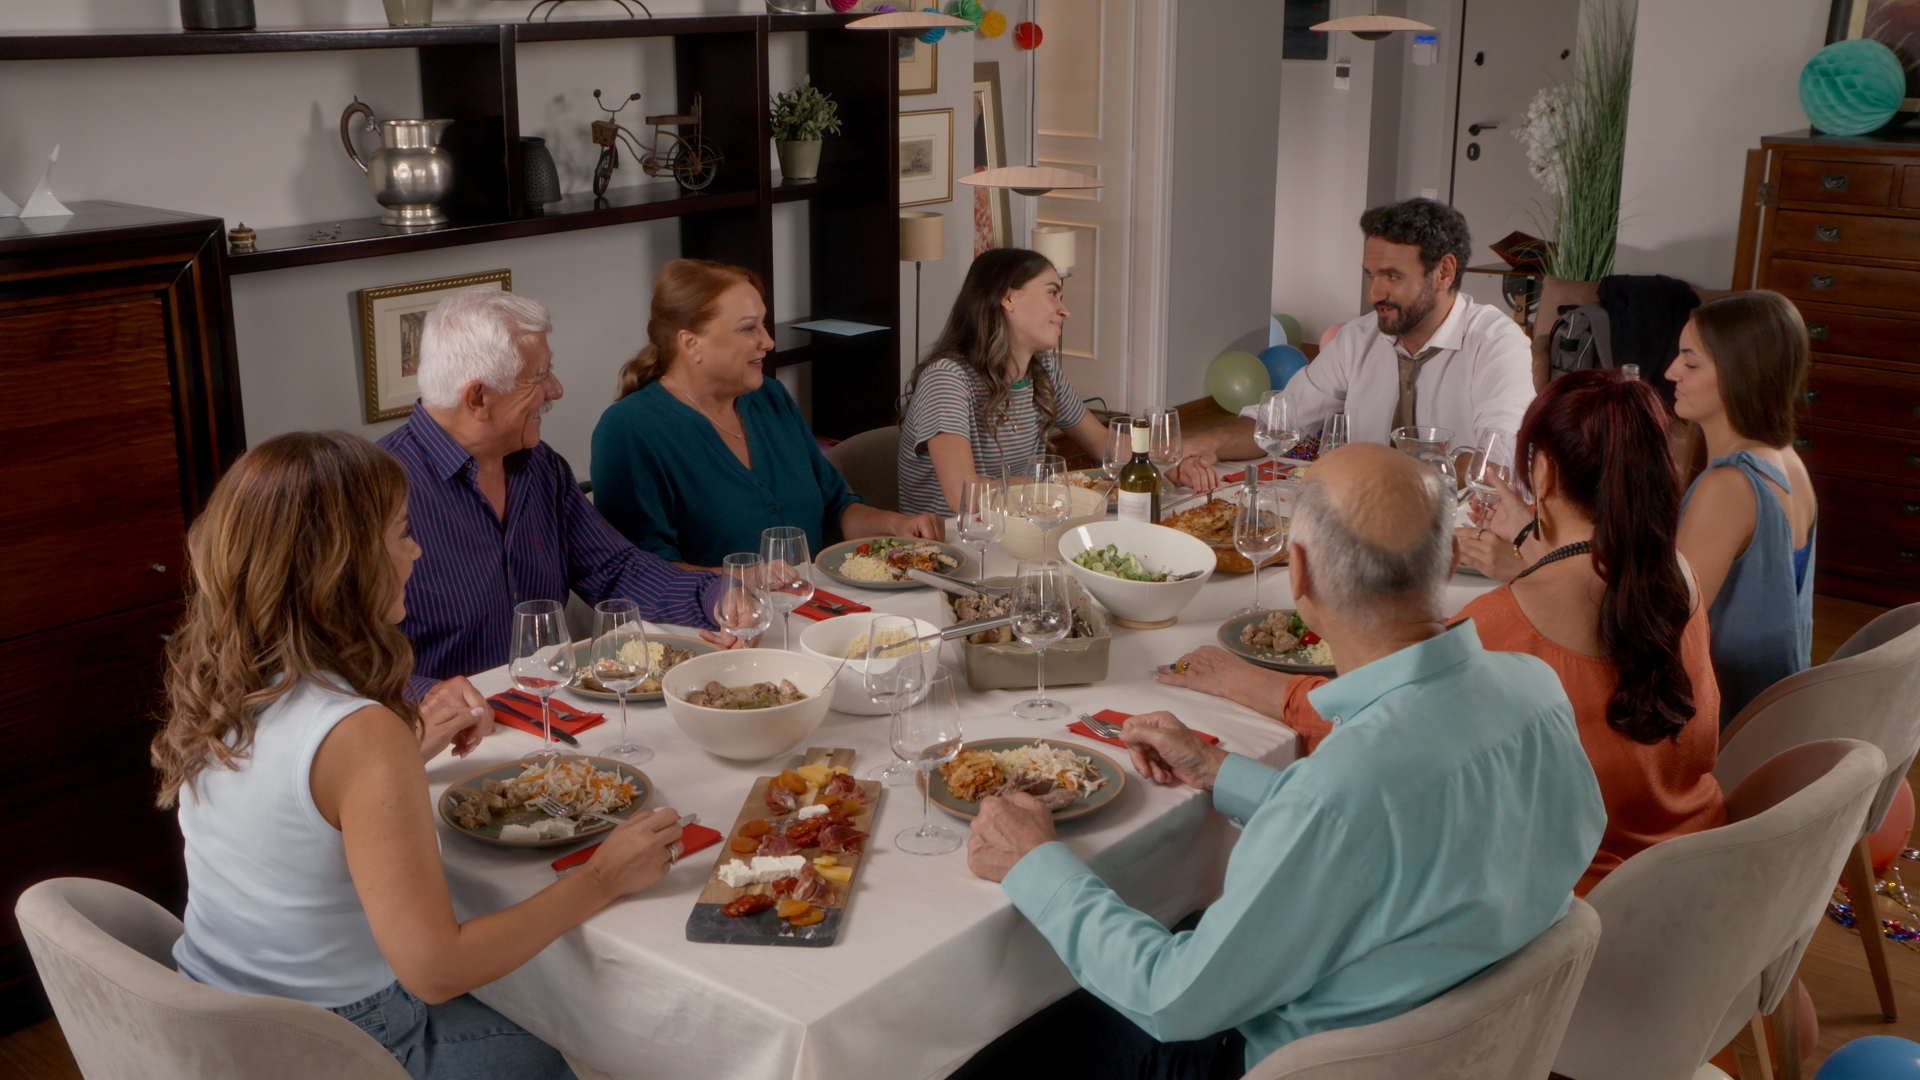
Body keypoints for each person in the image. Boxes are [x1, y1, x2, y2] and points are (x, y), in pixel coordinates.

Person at [954, 443, 1605, 1079]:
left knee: (997, 1042)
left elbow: (1169, 997)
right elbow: (1385, 833)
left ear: (1298, 571)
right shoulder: (1537, 691)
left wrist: (1036, 863)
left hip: (1288, 1059)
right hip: (1473, 1044)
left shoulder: (1343, 789)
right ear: (1451, 559)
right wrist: (1219, 772)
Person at [154, 432, 687, 1080]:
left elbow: (293, 806)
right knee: (597, 1043)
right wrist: (605, 876)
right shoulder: (358, 734)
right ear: (345, 564)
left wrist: (403, 753)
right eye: (402, 532)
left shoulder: (227, 683)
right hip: (334, 1044)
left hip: (215, 1019)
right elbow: (437, 970)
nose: (417, 551)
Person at [1166, 371, 1725, 897]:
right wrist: (1533, 532)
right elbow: (1591, 570)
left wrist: (1241, 681)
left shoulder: (1506, 618)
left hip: (1577, 911)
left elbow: (1369, 723)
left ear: (1546, 475)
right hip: (1703, 879)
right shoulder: (1677, 576)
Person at [379, 287, 735, 700]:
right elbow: (334, 663)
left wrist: (715, 594)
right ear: (478, 397)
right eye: (538, 376)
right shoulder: (369, 491)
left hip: (556, 709)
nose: (557, 389)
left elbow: (615, 570)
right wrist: (427, 695)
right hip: (447, 734)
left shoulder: (540, 466)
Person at [591, 259, 945, 567]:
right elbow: (643, 571)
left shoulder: (770, 398)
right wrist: (748, 582)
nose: (768, 341)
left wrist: (897, 525)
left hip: (806, 608)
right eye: (749, 328)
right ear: (690, 343)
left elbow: (836, 507)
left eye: (763, 324)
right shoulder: (629, 430)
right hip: (714, 630)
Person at [1185, 198, 1535, 463]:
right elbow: (1277, 423)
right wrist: (1197, 446)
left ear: (1444, 272)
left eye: (1392, 276)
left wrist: (1411, 480)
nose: (1373, 294)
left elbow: (1502, 456)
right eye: (1371, 274)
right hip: (1360, 523)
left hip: (1458, 534)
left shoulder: (1497, 343)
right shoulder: (1358, 338)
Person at [898, 248, 1218, 516]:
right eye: (1052, 293)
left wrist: (1169, 462)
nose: (1064, 310)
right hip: (955, 547)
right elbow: (965, 498)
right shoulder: (947, 379)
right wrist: (1057, 488)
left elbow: (1105, 445)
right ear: (1007, 297)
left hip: (1022, 527)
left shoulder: (1043, 368)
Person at [1667, 290, 1816, 726]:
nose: (1672, 371)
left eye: (1690, 363)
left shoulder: (1729, 487)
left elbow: (1661, 628)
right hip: (1774, 714)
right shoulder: (1786, 461)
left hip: (1724, 727)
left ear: (1740, 373)